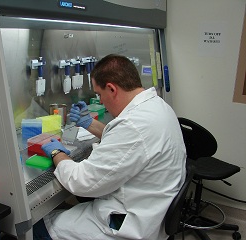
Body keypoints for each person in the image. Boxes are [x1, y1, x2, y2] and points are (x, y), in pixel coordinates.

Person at [33, 54, 186, 240]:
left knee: (38, 227)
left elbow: (81, 181)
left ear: (112, 89)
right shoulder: (158, 107)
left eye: (99, 94)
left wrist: (57, 153)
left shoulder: (133, 126)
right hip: (151, 211)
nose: (101, 100)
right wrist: (89, 123)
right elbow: (130, 144)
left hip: (125, 224)